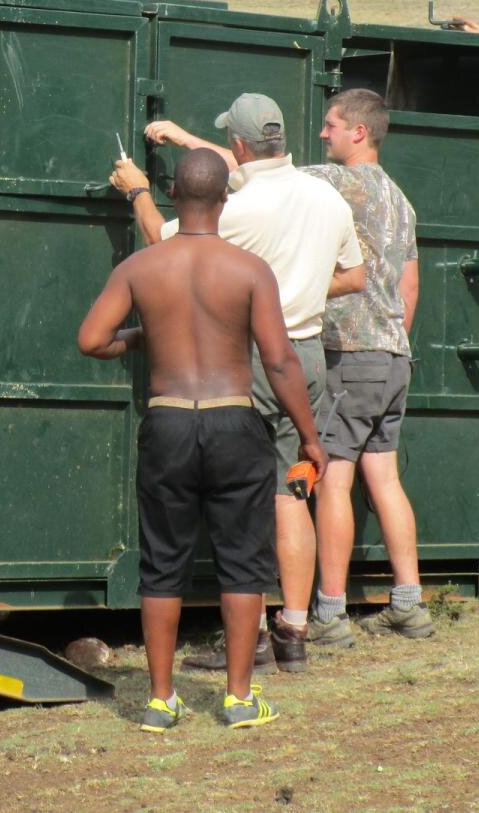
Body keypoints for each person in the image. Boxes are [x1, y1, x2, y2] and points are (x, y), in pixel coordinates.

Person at [111, 93, 364, 673]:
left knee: (241, 505)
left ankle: (244, 644)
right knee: (289, 494)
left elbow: (164, 243)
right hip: (308, 356)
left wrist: (136, 191)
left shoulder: (244, 208)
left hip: (249, 358)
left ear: (242, 147)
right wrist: (292, 295)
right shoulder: (326, 197)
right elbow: (354, 276)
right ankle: (294, 630)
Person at [79, 149, 327, 731]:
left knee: (163, 562)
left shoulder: (141, 267)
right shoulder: (248, 269)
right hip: (233, 421)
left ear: (174, 197)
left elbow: (92, 339)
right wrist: (311, 439)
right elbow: (280, 361)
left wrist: (141, 338)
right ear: (223, 200)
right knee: (243, 562)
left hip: (167, 421)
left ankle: (162, 700)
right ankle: (239, 699)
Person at [303, 89, 433, 643]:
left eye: (331, 125)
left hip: (352, 356)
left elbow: (262, 174)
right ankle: (409, 603)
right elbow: (410, 285)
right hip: (393, 356)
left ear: (360, 132)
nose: (323, 133)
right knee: (384, 475)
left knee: (334, 478)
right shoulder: (401, 199)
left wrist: (189, 142)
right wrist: (391, 338)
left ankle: (330, 614)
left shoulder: (342, 182)